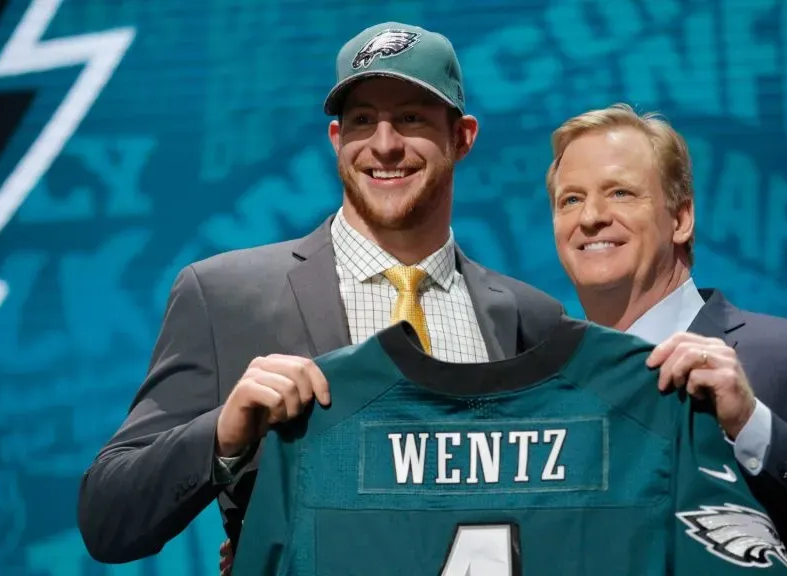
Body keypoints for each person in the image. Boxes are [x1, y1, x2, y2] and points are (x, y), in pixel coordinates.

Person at [76, 21, 563, 567]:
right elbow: (107, 517)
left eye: (410, 118)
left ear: (462, 137)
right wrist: (223, 435)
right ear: (336, 141)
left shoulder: (529, 317)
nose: (384, 145)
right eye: (362, 121)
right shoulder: (223, 297)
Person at [545, 103, 787, 575]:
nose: (591, 217)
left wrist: (751, 424)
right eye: (570, 200)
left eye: (620, 193)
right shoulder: (544, 385)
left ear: (681, 218)